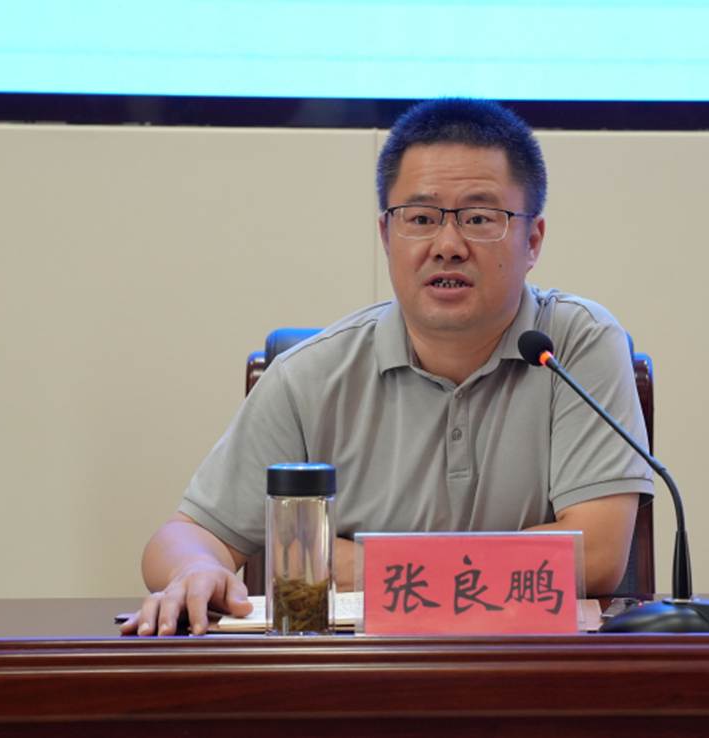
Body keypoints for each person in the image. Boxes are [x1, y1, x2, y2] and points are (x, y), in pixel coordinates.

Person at [121, 98, 653, 636]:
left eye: (479, 218)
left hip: (530, 672)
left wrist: (344, 562)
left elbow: (597, 556)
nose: (448, 246)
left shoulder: (575, 346)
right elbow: (185, 536)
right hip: (357, 677)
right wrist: (195, 569)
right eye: (420, 219)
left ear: (531, 240)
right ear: (386, 236)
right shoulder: (311, 376)